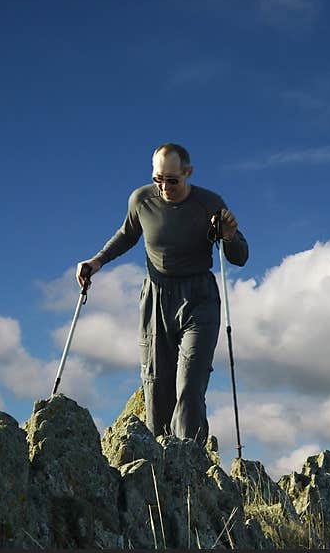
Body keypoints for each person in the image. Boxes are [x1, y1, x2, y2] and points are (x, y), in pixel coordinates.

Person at [76, 142, 248, 444]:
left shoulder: (209, 204)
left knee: (189, 385)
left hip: (200, 299)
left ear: (188, 173)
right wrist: (97, 261)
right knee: (156, 385)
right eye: (158, 179)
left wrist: (230, 236)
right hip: (156, 297)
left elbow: (240, 256)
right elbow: (126, 235)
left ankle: (190, 464)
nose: (164, 186)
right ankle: (158, 466)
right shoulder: (141, 200)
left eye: (172, 180)